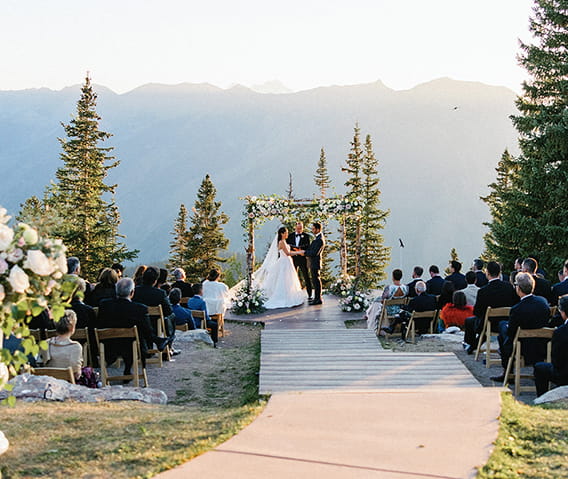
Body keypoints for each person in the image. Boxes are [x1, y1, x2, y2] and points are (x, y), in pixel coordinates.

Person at [97, 278, 171, 376]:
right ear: (132, 292)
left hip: (108, 346)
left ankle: (158, 341)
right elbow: (147, 330)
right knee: (140, 332)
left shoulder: (104, 304)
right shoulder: (140, 308)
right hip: (132, 347)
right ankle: (157, 341)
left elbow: (100, 323)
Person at [491, 272, 550, 382]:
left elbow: (511, 333)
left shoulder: (517, 309)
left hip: (523, 346)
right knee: (504, 327)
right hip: (541, 344)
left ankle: (507, 371)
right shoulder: (543, 302)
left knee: (503, 331)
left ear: (518, 288)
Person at [463, 261, 518, 354]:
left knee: (469, 321)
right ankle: (473, 345)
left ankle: (470, 344)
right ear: (499, 273)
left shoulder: (483, 291)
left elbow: (477, 312)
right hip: (506, 322)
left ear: (487, 273)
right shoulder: (509, 287)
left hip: (489, 324)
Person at [534, 296, 568, 396]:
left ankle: (542, 399)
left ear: (563, 312)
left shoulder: (560, 332)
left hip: (563, 374)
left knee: (539, 367)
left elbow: (556, 359)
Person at [42, 310, 83, 380]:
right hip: (69, 385)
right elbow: (76, 373)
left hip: (49, 383)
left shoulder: (46, 344)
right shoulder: (76, 347)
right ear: (72, 327)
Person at [133, 266, 174, 336]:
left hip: (138, 325)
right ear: (155, 281)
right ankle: (169, 339)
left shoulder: (134, 291)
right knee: (172, 316)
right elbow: (168, 311)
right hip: (155, 327)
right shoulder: (161, 293)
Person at [286, 221, 313, 300]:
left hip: (302, 259)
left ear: (303, 228)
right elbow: (287, 246)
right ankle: (291, 293)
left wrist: (300, 249)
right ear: (295, 227)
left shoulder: (306, 236)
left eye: (300, 228)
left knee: (306, 276)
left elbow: (307, 246)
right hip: (293, 258)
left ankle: (310, 294)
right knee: (292, 276)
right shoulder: (290, 236)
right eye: (298, 228)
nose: (299, 229)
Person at [304, 223, 326, 305]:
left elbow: (314, 252)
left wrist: (305, 253)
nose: (312, 230)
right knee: (315, 280)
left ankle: (318, 299)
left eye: (313, 229)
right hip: (313, 262)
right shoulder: (318, 238)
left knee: (316, 280)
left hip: (315, 262)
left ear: (318, 229)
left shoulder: (320, 239)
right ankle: (317, 297)